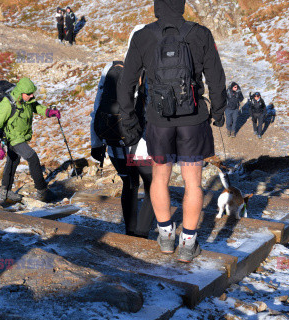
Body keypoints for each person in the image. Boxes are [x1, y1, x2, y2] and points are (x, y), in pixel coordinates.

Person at [118, 0, 227, 263]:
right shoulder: (200, 34)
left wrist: (128, 115)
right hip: (193, 119)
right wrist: (219, 111)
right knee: (193, 182)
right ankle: (188, 244)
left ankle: (166, 237)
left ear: (157, 6)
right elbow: (216, 77)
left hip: (158, 120)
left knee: (159, 178)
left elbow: (127, 80)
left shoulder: (144, 36)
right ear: (182, 5)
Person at [90, 25, 155, 239]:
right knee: (152, 184)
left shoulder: (111, 67)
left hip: (114, 141)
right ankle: (142, 234)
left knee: (129, 183)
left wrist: (96, 143)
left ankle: (130, 231)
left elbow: (97, 107)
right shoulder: (150, 71)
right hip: (139, 141)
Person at [0, 78, 61, 202]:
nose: (32, 95)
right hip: (13, 138)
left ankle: (5, 193)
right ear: (21, 92)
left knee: (13, 161)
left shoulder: (27, 100)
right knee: (32, 157)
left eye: (32, 93)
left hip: (21, 136)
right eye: (29, 93)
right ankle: (42, 192)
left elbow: (36, 107)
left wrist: (48, 112)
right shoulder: (7, 104)